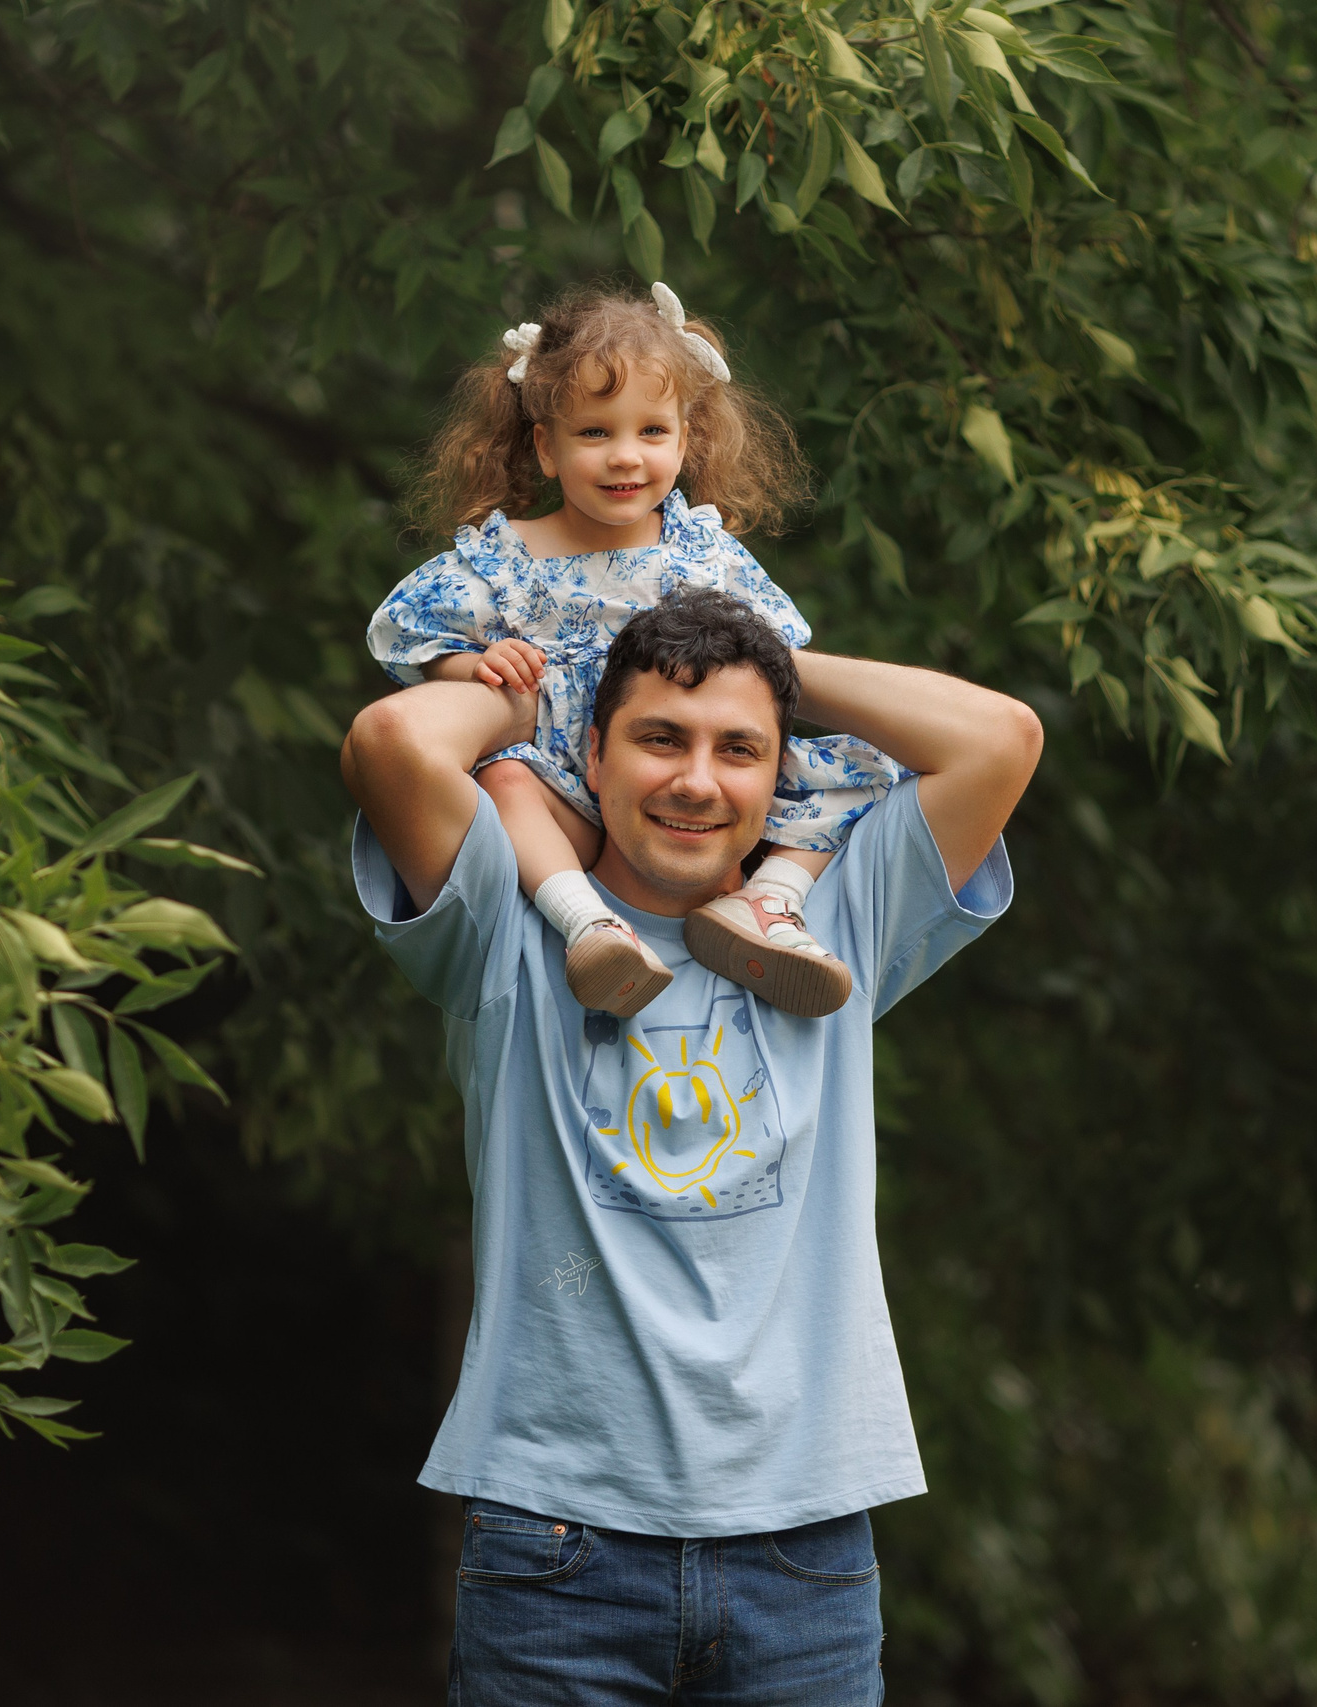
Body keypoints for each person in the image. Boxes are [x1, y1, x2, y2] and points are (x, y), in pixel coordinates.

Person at [342, 586, 1043, 1703]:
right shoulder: (507, 924)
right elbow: (391, 740)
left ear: (779, 777)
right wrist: (542, 676)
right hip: (554, 1544)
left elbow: (997, 737)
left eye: (740, 749)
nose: (696, 780)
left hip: (803, 1544)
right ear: (595, 750)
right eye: (659, 736)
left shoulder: (831, 920)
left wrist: (768, 664)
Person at [368, 282, 903, 1020]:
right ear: (545, 448)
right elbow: (407, 631)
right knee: (503, 780)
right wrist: (470, 667)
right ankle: (589, 925)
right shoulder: (507, 558)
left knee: (860, 771)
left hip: (683, 780)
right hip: (565, 789)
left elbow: (776, 664)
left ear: (686, 440)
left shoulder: (703, 554)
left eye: (652, 431)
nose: (626, 457)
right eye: (595, 433)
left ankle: (770, 902)